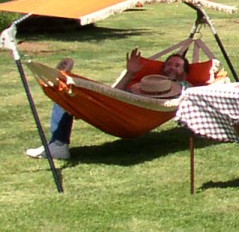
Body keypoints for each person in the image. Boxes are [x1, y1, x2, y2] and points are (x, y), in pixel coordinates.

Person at [24, 49, 191, 161]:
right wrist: (130, 73)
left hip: (146, 112)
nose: (172, 67)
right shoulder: (146, 82)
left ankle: (64, 77)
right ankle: (59, 144)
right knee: (67, 94)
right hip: (120, 106)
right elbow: (115, 93)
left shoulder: (186, 87)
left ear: (184, 71)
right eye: (169, 64)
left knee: (69, 91)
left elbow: (189, 98)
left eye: (177, 65)